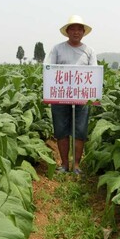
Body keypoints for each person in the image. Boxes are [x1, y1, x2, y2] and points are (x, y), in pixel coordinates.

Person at [44, 15, 98, 174]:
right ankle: (64, 164)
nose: (76, 32)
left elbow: (94, 74)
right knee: (61, 129)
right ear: (67, 32)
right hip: (60, 95)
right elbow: (49, 69)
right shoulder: (57, 49)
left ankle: (76, 165)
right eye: (72, 29)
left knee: (80, 131)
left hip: (82, 96)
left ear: (83, 32)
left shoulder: (89, 51)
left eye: (79, 29)